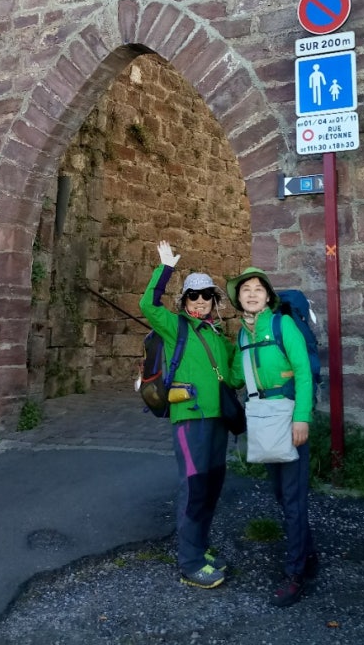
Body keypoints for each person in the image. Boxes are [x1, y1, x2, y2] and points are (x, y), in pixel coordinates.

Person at [140, 239, 242, 589]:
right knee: (194, 487)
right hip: (189, 420)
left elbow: (233, 378)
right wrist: (165, 268)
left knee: (211, 486)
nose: (200, 301)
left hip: (217, 422)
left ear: (214, 301)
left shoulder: (218, 337)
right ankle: (190, 563)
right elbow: (147, 304)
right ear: (184, 301)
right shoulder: (175, 327)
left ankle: (200, 547)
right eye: (193, 296)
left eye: (206, 296)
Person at [226, 266, 318, 607]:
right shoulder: (242, 335)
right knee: (281, 493)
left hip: (288, 417)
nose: (251, 294)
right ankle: (308, 556)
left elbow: (304, 374)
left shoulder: (282, 325)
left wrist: (302, 419)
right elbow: (236, 378)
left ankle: (295, 574)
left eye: (258, 289)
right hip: (263, 419)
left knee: (292, 498)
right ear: (239, 299)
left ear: (267, 297)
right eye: (245, 289)